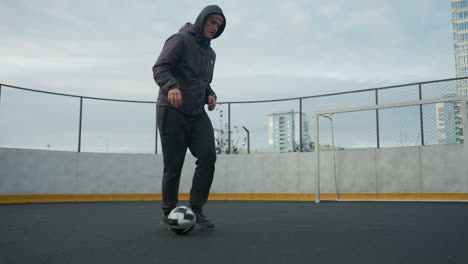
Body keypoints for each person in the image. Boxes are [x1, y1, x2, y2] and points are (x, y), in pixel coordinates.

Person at [152, 5, 226, 229]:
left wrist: (210, 95)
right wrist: (171, 87)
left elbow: (203, 82)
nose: (214, 28)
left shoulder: (210, 54)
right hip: (171, 109)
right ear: (202, 19)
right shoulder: (181, 39)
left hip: (196, 113)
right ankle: (168, 211)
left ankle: (196, 208)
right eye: (212, 22)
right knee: (173, 164)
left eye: (219, 26)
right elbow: (160, 67)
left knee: (208, 157)